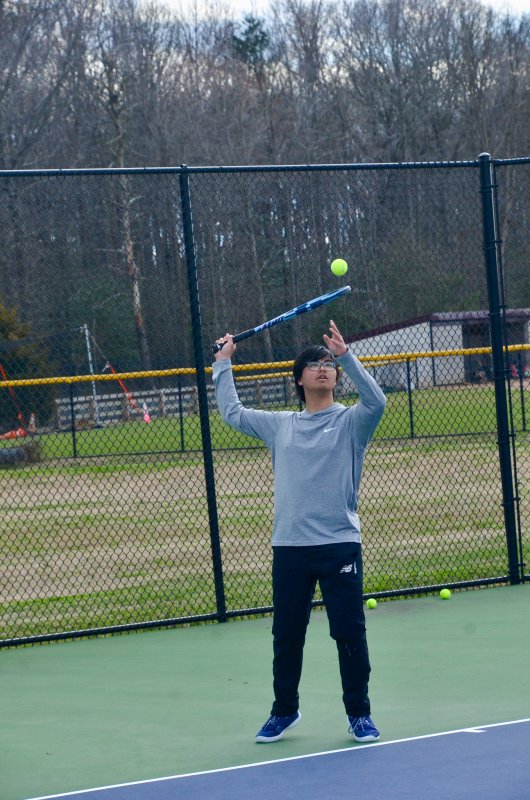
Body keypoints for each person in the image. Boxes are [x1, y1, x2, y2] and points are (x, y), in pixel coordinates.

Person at [212, 320, 386, 744]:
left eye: (329, 363)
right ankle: (284, 712)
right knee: (286, 634)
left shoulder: (352, 423)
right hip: (290, 548)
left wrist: (347, 354)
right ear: (299, 379)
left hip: (339, 544)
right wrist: (223, 364)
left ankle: (359, 714)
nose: (323, 368)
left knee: (349, 631)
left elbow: (377, 401)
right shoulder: (280, 425)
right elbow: (231, 413)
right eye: (314, 364)